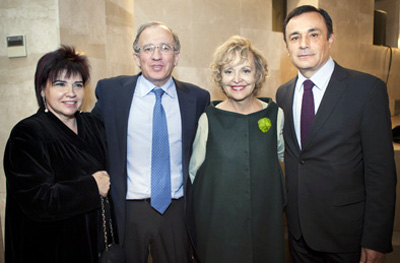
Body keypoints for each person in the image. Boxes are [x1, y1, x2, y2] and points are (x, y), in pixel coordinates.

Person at [276, 5, 396, 263]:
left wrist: (375, 239)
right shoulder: (283, 94)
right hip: (298, 236)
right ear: (287, 46)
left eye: (314, 34)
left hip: (347, 237)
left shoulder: (366, 90)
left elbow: (381, 172)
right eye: (294, 37)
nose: (304, 44)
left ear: (330, 38)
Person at [92, 21, 210, 262]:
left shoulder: (197, 98)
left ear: (176, 56)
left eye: (165, 48)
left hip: (176, 210)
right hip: (127, 210)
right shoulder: (112, 92)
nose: (156, 56)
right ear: (136, 57)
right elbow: (87, 137)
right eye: (148, 49)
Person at [4, 46, 110, 263]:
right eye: (60, 84)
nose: (71, 93)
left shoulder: (93, 125)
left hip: (95, 248)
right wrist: (91, 187)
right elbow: (37, 200)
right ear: (43, 89)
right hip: (51, 250)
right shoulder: (27, 134)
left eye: (77, 85)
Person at [189, 35, 286, 262]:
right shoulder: (208, 118)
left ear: (258, 74)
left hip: (265, 221)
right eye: (229, 71)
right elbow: (195, 173)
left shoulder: (275, 114)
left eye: (245, 70)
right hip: (220, 225)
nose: (237, 79)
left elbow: (282, 157)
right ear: (220, 77)